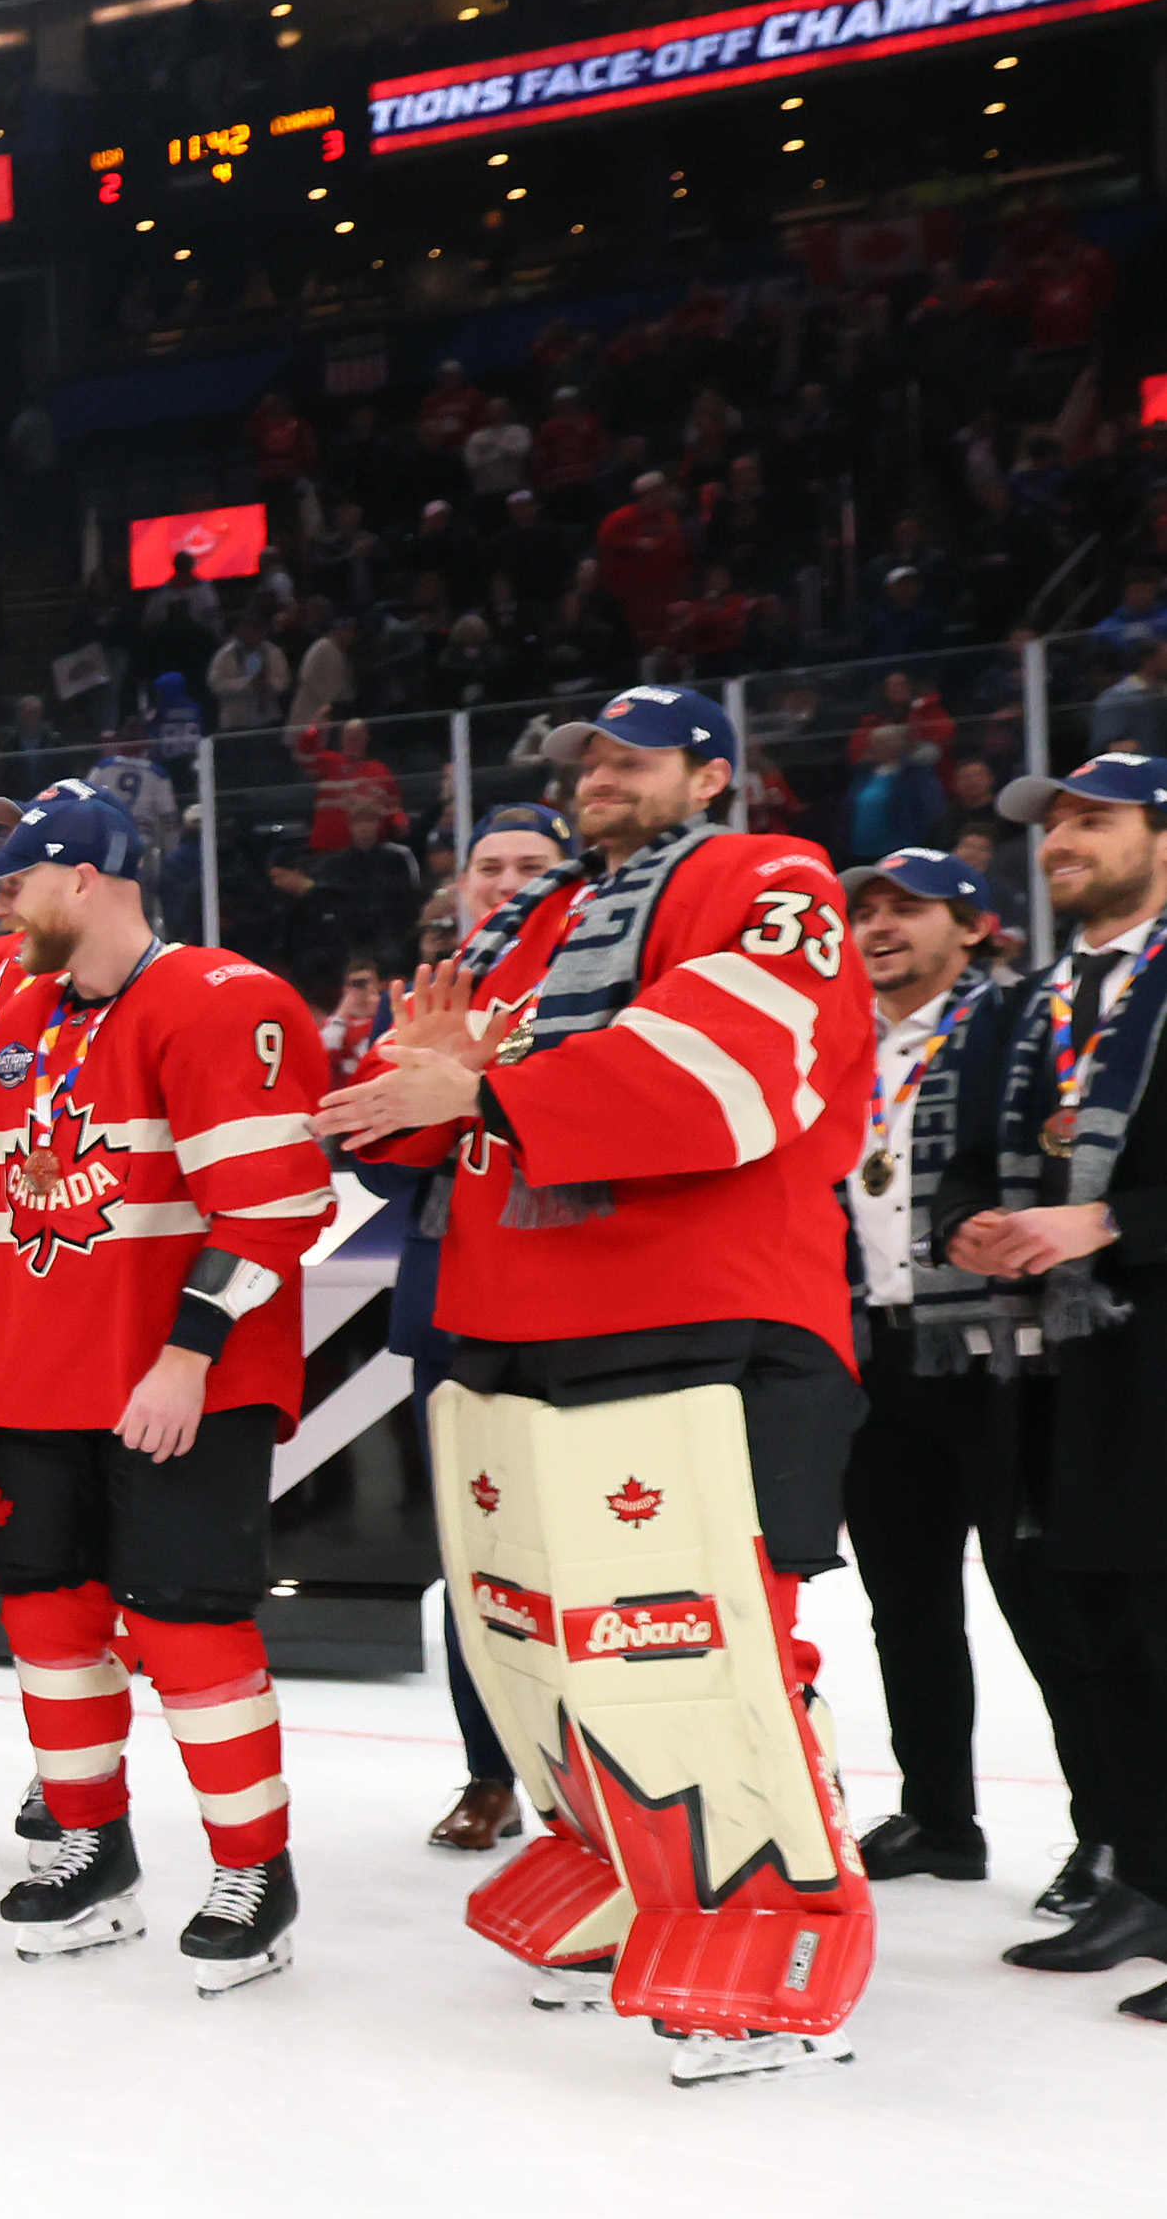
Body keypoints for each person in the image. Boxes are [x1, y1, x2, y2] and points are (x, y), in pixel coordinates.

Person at [323, 687, 875, 2076]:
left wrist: (486, 1087)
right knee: (542, 1640)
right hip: (521, 1324)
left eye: (630, 760)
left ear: (709, 772)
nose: (598, 780)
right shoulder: (543, 923)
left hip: (702, 1321)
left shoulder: (769, 876)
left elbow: (727, 1063)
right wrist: (408, 1086)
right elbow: (448, 1112)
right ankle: (628, 1864)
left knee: (698, 1645)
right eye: (586, 762)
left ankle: (768, 1913)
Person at [0, 786, 334, 1990]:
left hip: (177, 1381)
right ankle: (90, 1847)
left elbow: (273, 1208)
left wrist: (189, 1350)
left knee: (185, 1622)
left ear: (83, 881)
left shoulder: (221, 998)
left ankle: (253, 1866)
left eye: (14, 882)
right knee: (48, 1621)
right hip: (32, 1376)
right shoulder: (19, 1017)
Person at [919, 751, 1167, 2008]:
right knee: (1104, 1633)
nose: (1063, 837)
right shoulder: (1024, 1005)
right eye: (1053, 822)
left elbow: (1110, 1202)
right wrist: (967, 1224)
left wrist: (1107, 1221)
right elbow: (963, 1159)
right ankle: (1147, 1879)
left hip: (1148, 1346)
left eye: (1093, 819)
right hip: (1052, 1365)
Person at [828, 849, 1022, 1885]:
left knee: (1047, 1599)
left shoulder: (1013, 1023)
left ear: (974, 924)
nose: (879, 924)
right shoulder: (838, 1046)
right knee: (903, 1601)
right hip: (873, 1348)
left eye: (909, 907)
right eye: (866, 910)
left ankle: (1115, 1837)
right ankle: (939, 1816)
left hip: (995, 1349)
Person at [391, 806, 581, 1855]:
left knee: (586, 1553)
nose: (506, 883)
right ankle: (487, 1773)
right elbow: (378, 1160)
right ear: (458, 883)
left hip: (573, 1303)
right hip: (454, 1312)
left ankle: (595, 1777)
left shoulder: (595, 987)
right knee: (477, 1558)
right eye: (488, 867)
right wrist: (423, 1080)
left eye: (532, 869)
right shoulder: (431, 990)